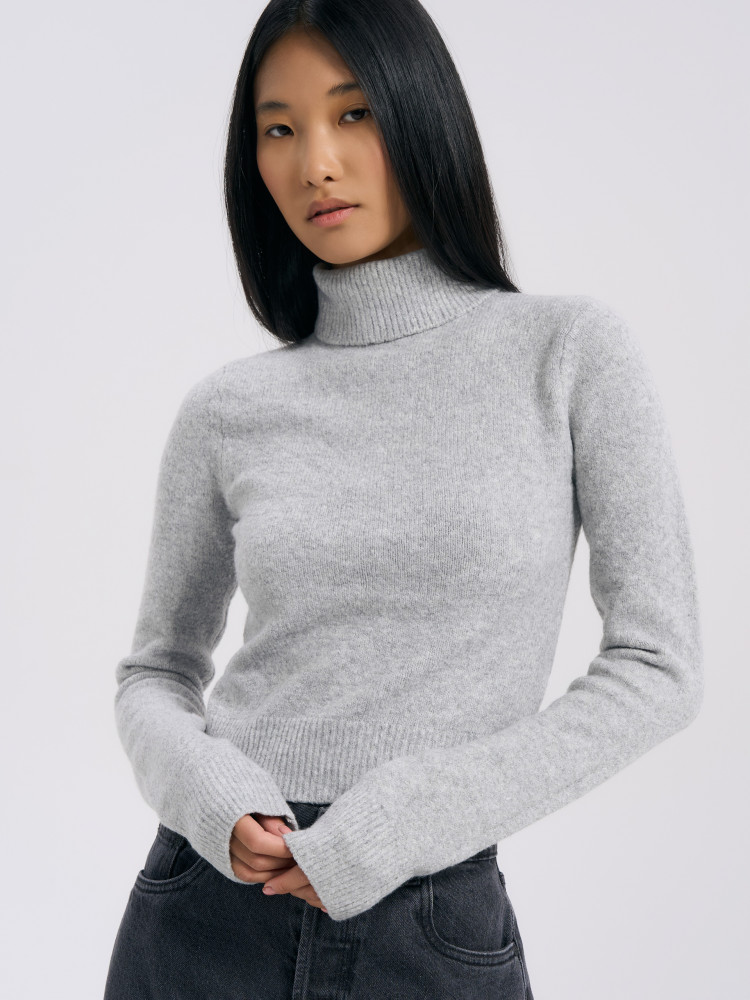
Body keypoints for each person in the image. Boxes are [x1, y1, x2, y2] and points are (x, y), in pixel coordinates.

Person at [103, 1, 704, 997]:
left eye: (355, 114)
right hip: (206, 904)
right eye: (279, 130)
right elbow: (155, 672)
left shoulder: (567, 353)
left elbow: (659, 666)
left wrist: (411, 816)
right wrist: (211, 792)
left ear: (422, 114)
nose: (316, 164)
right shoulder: (228, 409)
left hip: (428, 911)